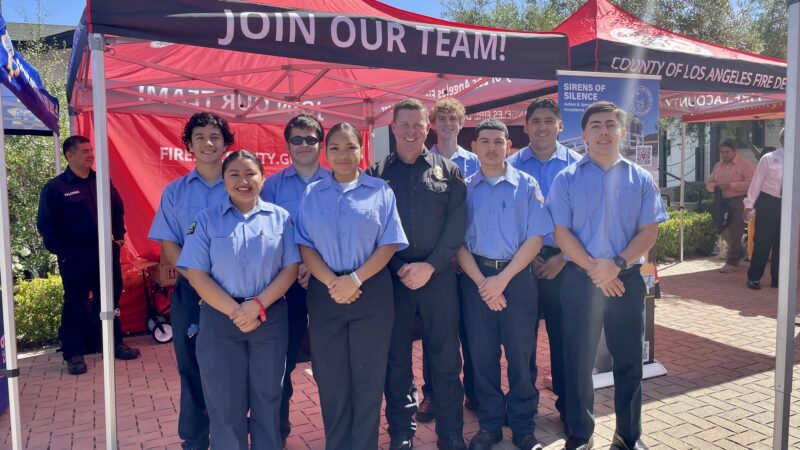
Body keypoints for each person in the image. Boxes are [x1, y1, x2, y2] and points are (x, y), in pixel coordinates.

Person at [547, 101, 668, 450]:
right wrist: (594, 269)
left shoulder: (640, 178)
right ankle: (581, 435)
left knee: (629, 360)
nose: (603, 131)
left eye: (610, 125)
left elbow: (649, 232)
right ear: (583, 134)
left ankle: (628, 437)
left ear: (622, 132)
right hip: (579, 281)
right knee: (578, 361)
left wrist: (614, 264)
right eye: (595, 125)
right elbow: (561, 232)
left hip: (625, 281)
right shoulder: (566, 178)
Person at [294, 122, 408, 450]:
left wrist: (354, 280)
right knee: (331, 378)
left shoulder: (380, 191)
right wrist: (333, 282)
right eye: (335, 148)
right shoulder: (312, 193)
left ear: (362, 151)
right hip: (325, 292)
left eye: (350, 147)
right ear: (325, 152)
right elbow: (304, 245)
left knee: (368, 377)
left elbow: (389, 243)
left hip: (371, 291)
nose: (343, 155)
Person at [178, 150, 300, 449]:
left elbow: (290, 269)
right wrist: (237, 311)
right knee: (224, 404)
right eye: (234, 174)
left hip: (269, 317)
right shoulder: (205, 221)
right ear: (223, 180)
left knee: (268, 400)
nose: (243, 181)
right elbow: (197, 274)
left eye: (250, 174)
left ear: (262, 178)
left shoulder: (280, 218)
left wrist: (256, 306)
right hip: (220, 319)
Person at [369, 98, 467, 450]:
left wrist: (431, 266)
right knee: (396, 360)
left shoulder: (449, 172)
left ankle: (451, 433)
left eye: (418, 124)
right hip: (391, 281)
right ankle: (401, 433)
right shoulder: (377, 174)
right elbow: (373, 230)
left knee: (444, 358)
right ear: (393, 128)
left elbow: (457, 226)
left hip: (438, 279)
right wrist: (399, 267)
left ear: (429, 127)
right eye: (404, 124)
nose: (411, 131)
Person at [457, 119, 553, 450]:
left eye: (499, 141)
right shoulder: (464, 189)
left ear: (509, 146)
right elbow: (458, 244)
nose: (492, 147)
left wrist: (502, 280)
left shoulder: (526, 185)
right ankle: (491, 425)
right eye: (485, 141)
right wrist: (485, 283)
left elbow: (536, 238)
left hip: (517, 278)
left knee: (521, 356)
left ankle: (524, 427)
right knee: (481, 357)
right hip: (477, 280)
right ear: (474, 147)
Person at [148, 112, 231, 450]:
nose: (208, 143)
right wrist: (196, 280)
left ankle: (233, 436)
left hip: (237, 292)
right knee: (192, 366)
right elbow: (169, 243)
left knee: (236, 369)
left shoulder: (242, 181)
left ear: (226, 143)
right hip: (190, 293)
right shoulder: (175, 192)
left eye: (215, 136)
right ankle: (196, 439)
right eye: (200, 137)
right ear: (189, 146)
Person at [37, 135, 140, 376]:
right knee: (75, 304)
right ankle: (73, 353)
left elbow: (118, 209)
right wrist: (65, 254)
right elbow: (46, 227)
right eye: (85, 151)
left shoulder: (102, 182)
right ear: (69, 155)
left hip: (106, 254)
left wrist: (119, 237)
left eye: (91, 150)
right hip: (75, 259)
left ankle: (114, 343)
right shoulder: (56, 188)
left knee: (111, 301)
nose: (91, 154)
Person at [506, 98, 580, 427]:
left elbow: (588, 221)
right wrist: (529, 254)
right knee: (521, 341)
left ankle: (568, 405)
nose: (542, 127)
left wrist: (563, 257)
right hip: (522, 262)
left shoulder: (579, 166)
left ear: (560, 126)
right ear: (525, 126)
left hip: (566, 263)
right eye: (535, 121)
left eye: (549, 120)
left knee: (565, 339)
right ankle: (524, 406)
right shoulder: (510, 165)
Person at [261, 114, 330, 445]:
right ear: (287, 144)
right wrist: (297, 264)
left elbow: (341, 232)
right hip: (286, 287)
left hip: (328, 284)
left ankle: (339, 429)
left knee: (331, 361)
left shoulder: (336, 181)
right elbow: (268, 234)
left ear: (321, 144)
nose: (304, 145)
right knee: (282, 361)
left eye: (311, 139)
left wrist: (315, 266)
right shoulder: (271, 186)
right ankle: (279, 428)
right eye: (297, 139)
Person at [418, 97, 480, 423]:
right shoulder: (422, 161)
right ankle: (433, 393)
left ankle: (473, 390)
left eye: (451, 120)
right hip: (437, 264)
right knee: (436, 334)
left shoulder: (476, 161)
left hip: (470, 262)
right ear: (433, 125)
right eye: (440, 120)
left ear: (461, 123)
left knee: (471, 331)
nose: (446, 125)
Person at [704, 139, 755, 273]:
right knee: (721, 228)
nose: (724, 154)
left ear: (734, 151)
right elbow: (709, 182)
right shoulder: (717, 166)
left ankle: (731, 261)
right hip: (722, 201)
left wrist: (731, 185)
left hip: (739, 200)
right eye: (722, 152)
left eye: (727, 152)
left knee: (735, 229)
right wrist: (712, 186)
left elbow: (752, 183)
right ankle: (741, 254)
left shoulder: (745, 164)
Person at [744, 128, 785, 290]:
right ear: (781, 139)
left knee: (783, 245)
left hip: (789, 204)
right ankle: (754, 278)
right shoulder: (769, 158)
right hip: (769, 202)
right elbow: (756, 183)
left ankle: (778, 280)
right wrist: (749, 205)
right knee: (762, 242)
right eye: (786, 137)